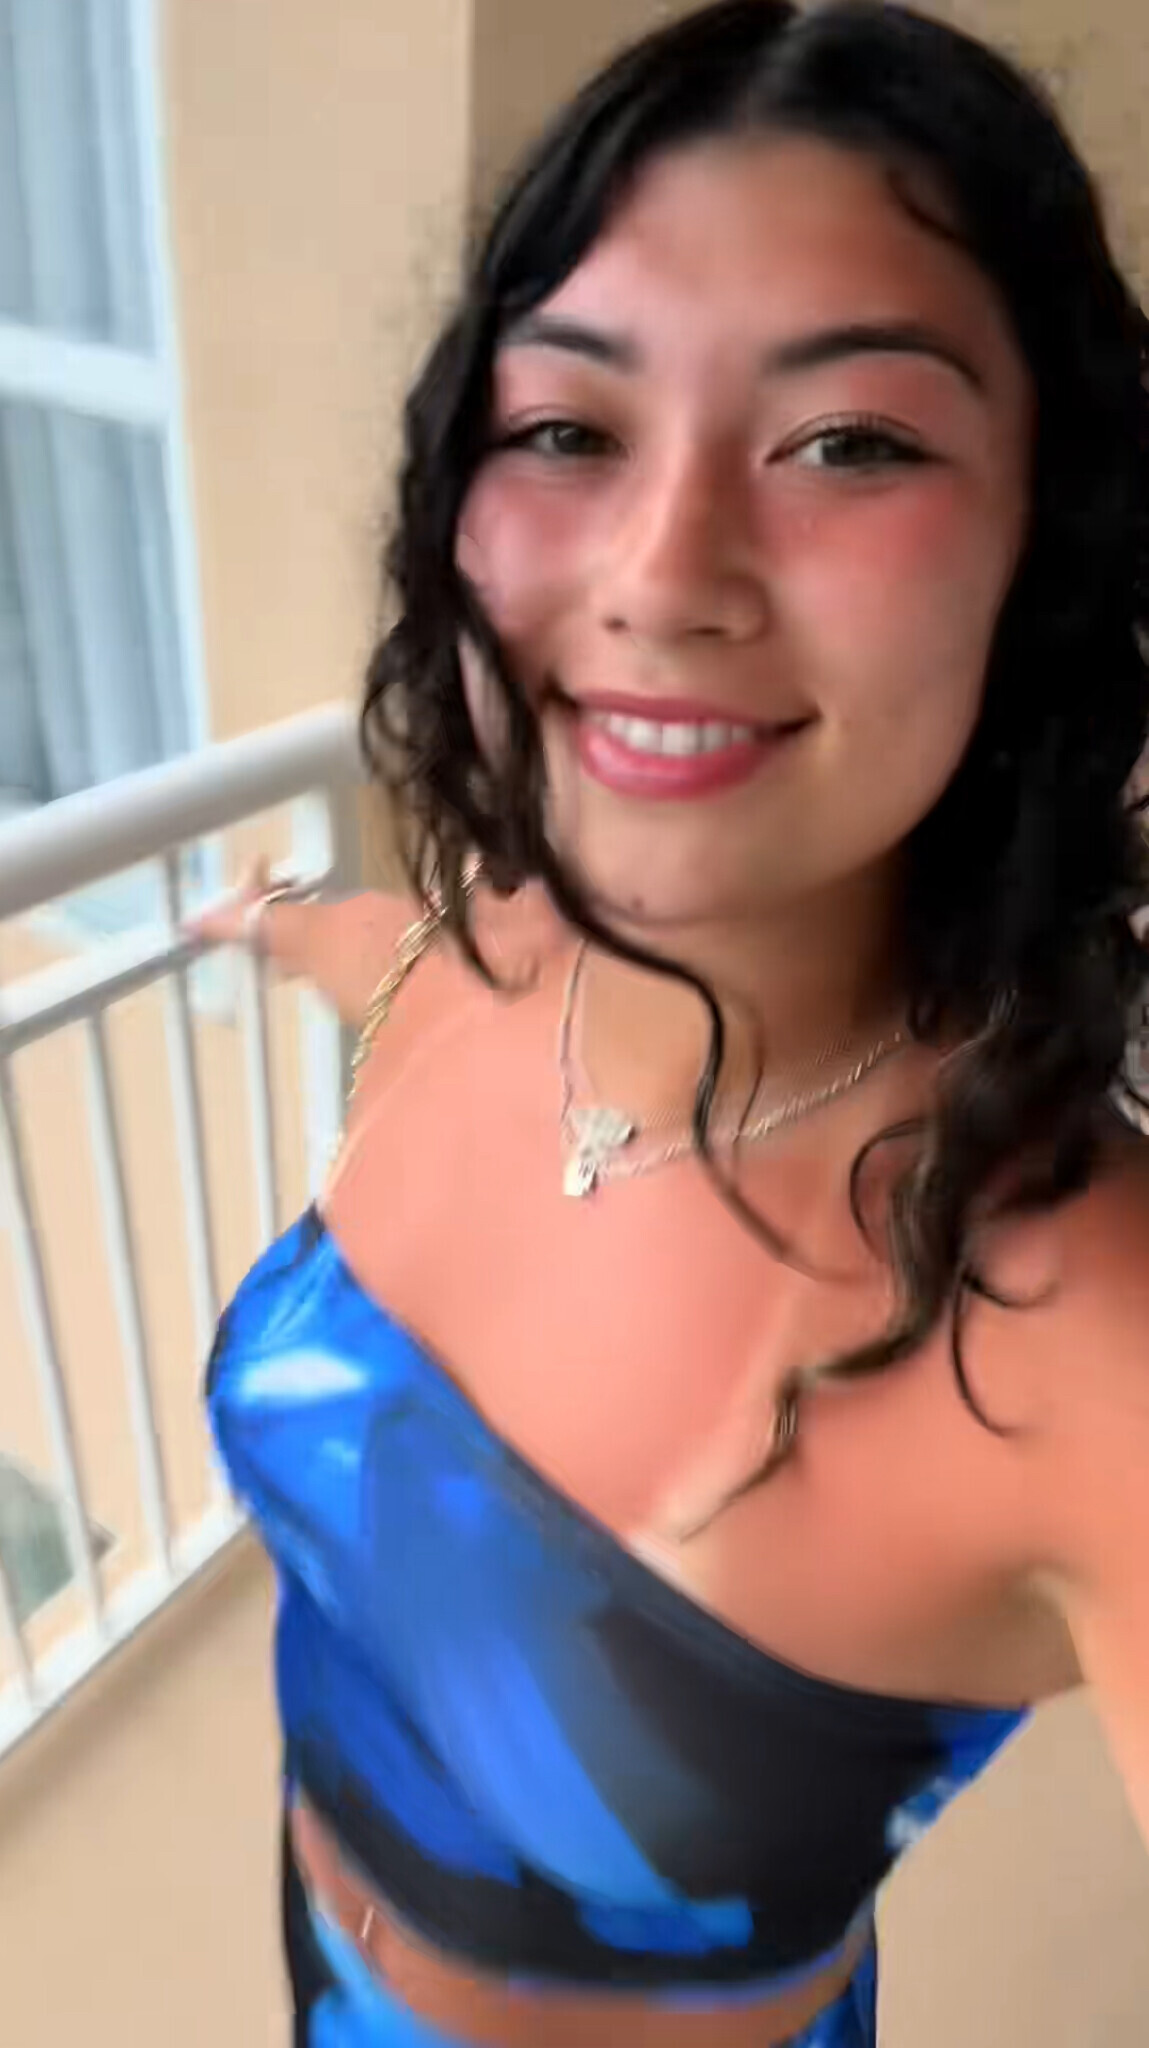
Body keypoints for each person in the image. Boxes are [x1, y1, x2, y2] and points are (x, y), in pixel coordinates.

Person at [192, 5, 1149, 2043]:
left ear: (1045, 548)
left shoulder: (1092, 1342)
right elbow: (385, 957)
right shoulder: (493, 960)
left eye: (850, 443)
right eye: (566, 429)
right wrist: (275, 925)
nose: (662, 570)